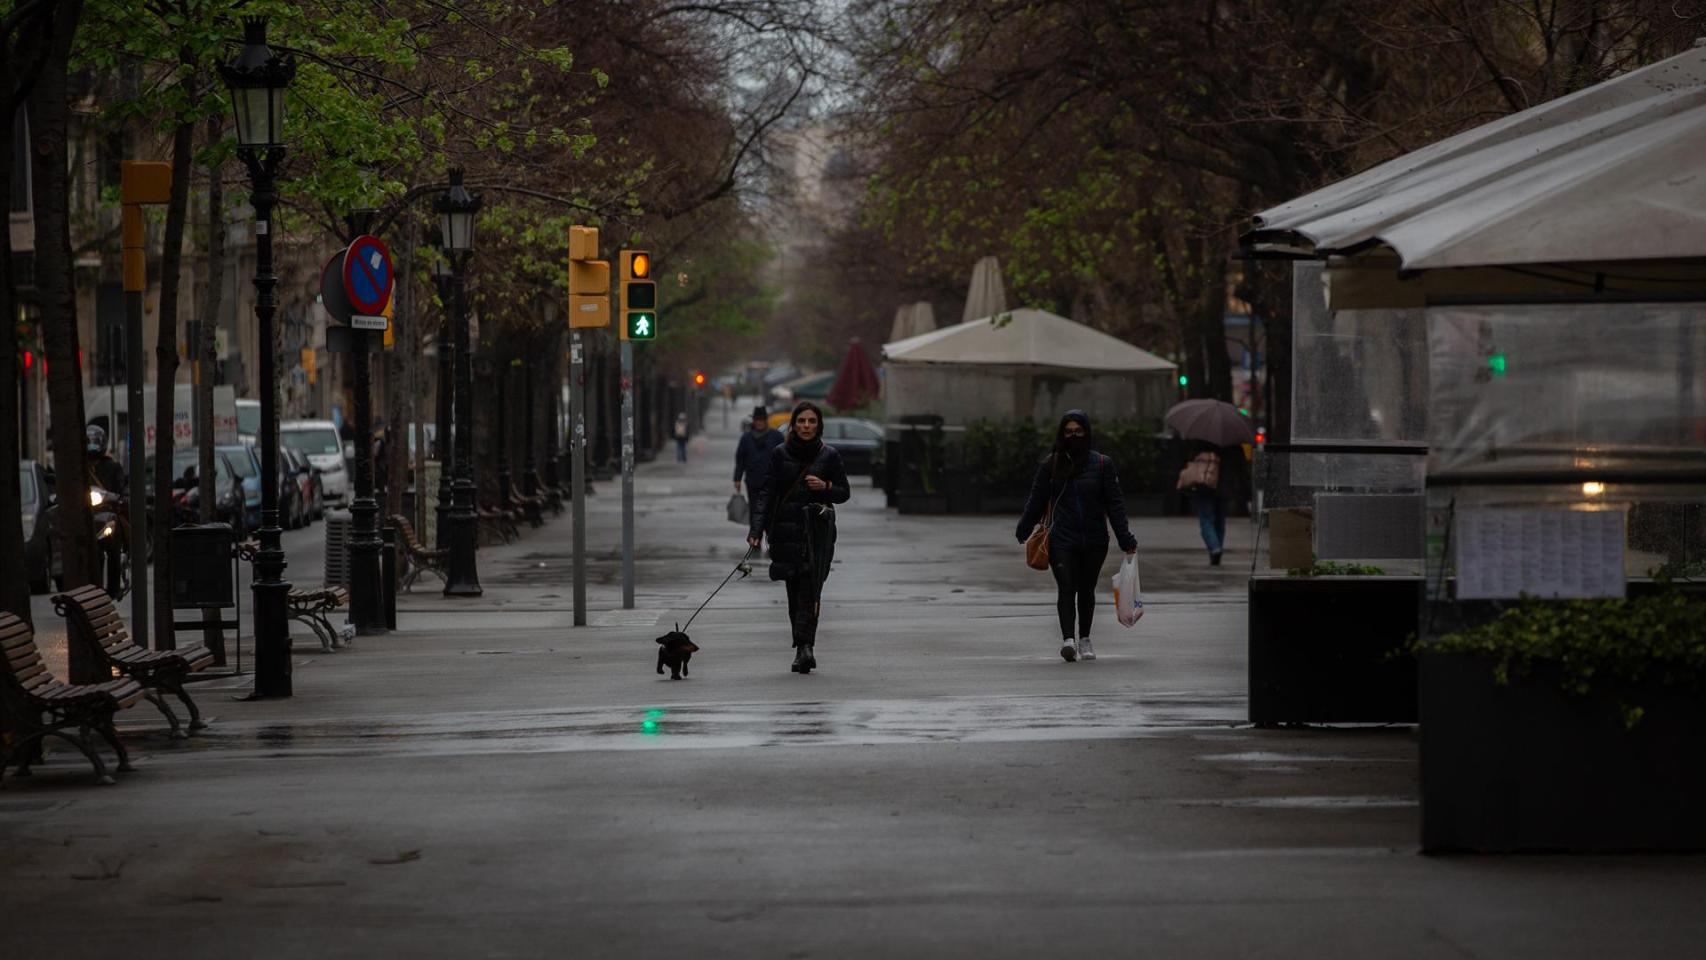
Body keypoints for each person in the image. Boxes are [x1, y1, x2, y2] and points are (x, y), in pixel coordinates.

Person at [1015, 410, 1138, 663]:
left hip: (1095, 539)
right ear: (1062, 434)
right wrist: (1024, 529)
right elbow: (1036, 500)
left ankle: (1085, 638)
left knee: (1087, 589)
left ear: (1087, 433)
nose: (1074, 436)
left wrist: (1125, 538)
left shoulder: (1103, 464)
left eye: (1079, 432)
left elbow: (1115, 504)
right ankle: (1068, 639)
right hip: (1062, 537)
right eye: (1069, 432)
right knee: (1066, 587)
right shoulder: (1051, 465)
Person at [747, 401, 850, 674]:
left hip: (816, 535)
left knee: (810, 590)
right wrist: (755, 531)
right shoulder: (779, 454)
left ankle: (806, 648)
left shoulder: (830, 456)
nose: (806, 426)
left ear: (819, 425)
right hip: (784, 533)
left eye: (811, 421)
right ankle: (801, 645)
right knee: (794, 594)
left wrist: (825, 486)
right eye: (802, 421)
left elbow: (843, 492)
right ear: (794, 425)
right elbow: (766, 494)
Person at [1177, 443, 1225, 565]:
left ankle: (1215, 548)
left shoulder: (1199, 440)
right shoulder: (1229, 443)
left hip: (1204, 486)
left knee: (1206, 519)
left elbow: (1189, 460)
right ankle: (1217, 547)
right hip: (1223, 487)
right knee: (1219, 521)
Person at [732, 405, 784, 507]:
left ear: (766, 420)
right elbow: (740, 459)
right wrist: (737, 479)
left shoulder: (777, 436)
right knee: (754, 509)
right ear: (754, 420)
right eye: (757, 419)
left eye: (762, 419)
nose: (759, 422)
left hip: (772, 482)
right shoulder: (746, 438)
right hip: (753, 481)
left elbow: (784, 458)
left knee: (770, 509)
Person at [85, 424, 125, 492]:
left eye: (95, 443)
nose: (92, 446)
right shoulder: (78, 466)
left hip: (107, 501)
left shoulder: (112, 466)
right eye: (88, 443)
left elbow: (121, 489)